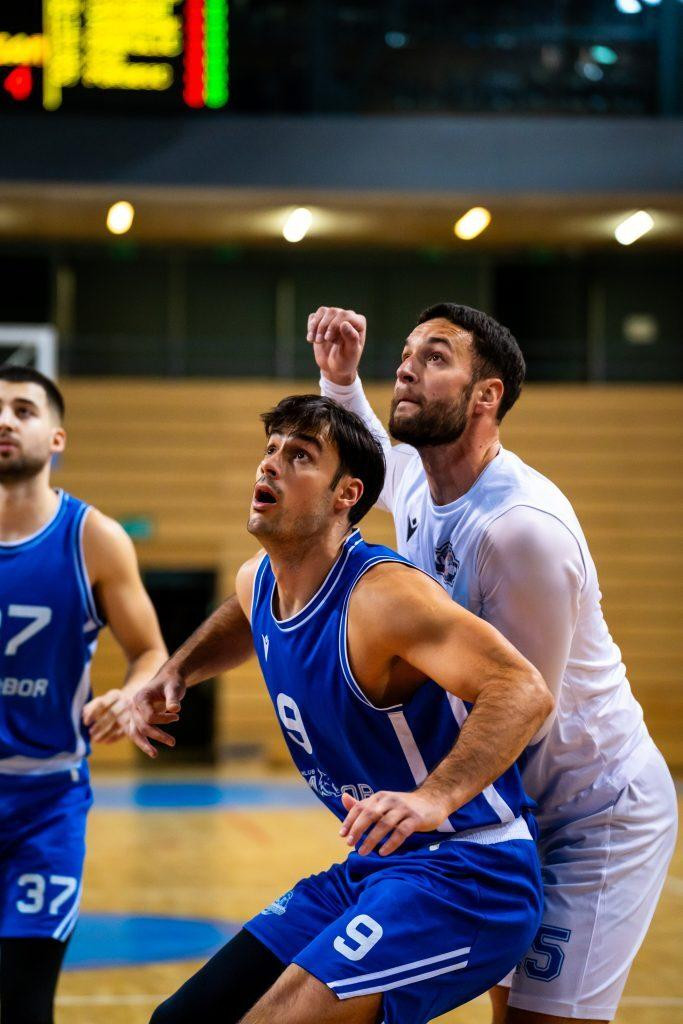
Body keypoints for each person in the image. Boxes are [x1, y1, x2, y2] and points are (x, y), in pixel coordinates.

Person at [304, 303, 678, 1024]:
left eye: (435, 356)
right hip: (512, 809)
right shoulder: (422, 482)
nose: (405, 368)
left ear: (486, 395)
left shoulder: (520, 532)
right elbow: (374, 450)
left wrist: (431, 796)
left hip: (593, 813)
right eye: (405, 352)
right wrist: (339, 380)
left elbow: (525, 710)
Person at [134, 394, 553, 1024]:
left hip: (470, 870)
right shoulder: (260, 579)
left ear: (346, 494)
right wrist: (179, 669)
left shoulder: (382, 598)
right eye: (271, 449)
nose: (270, 464)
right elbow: (244, 613)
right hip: (376, 868)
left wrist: (434, 798)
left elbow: (523, 689)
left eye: (300, 456)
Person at [0, 365, 168, 1024]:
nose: (5, 420)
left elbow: (150, 652)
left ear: (57, 437)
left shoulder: (93, 538)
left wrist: (130, 697)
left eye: (23, 409)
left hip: (45, 802)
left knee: (24, 1001)